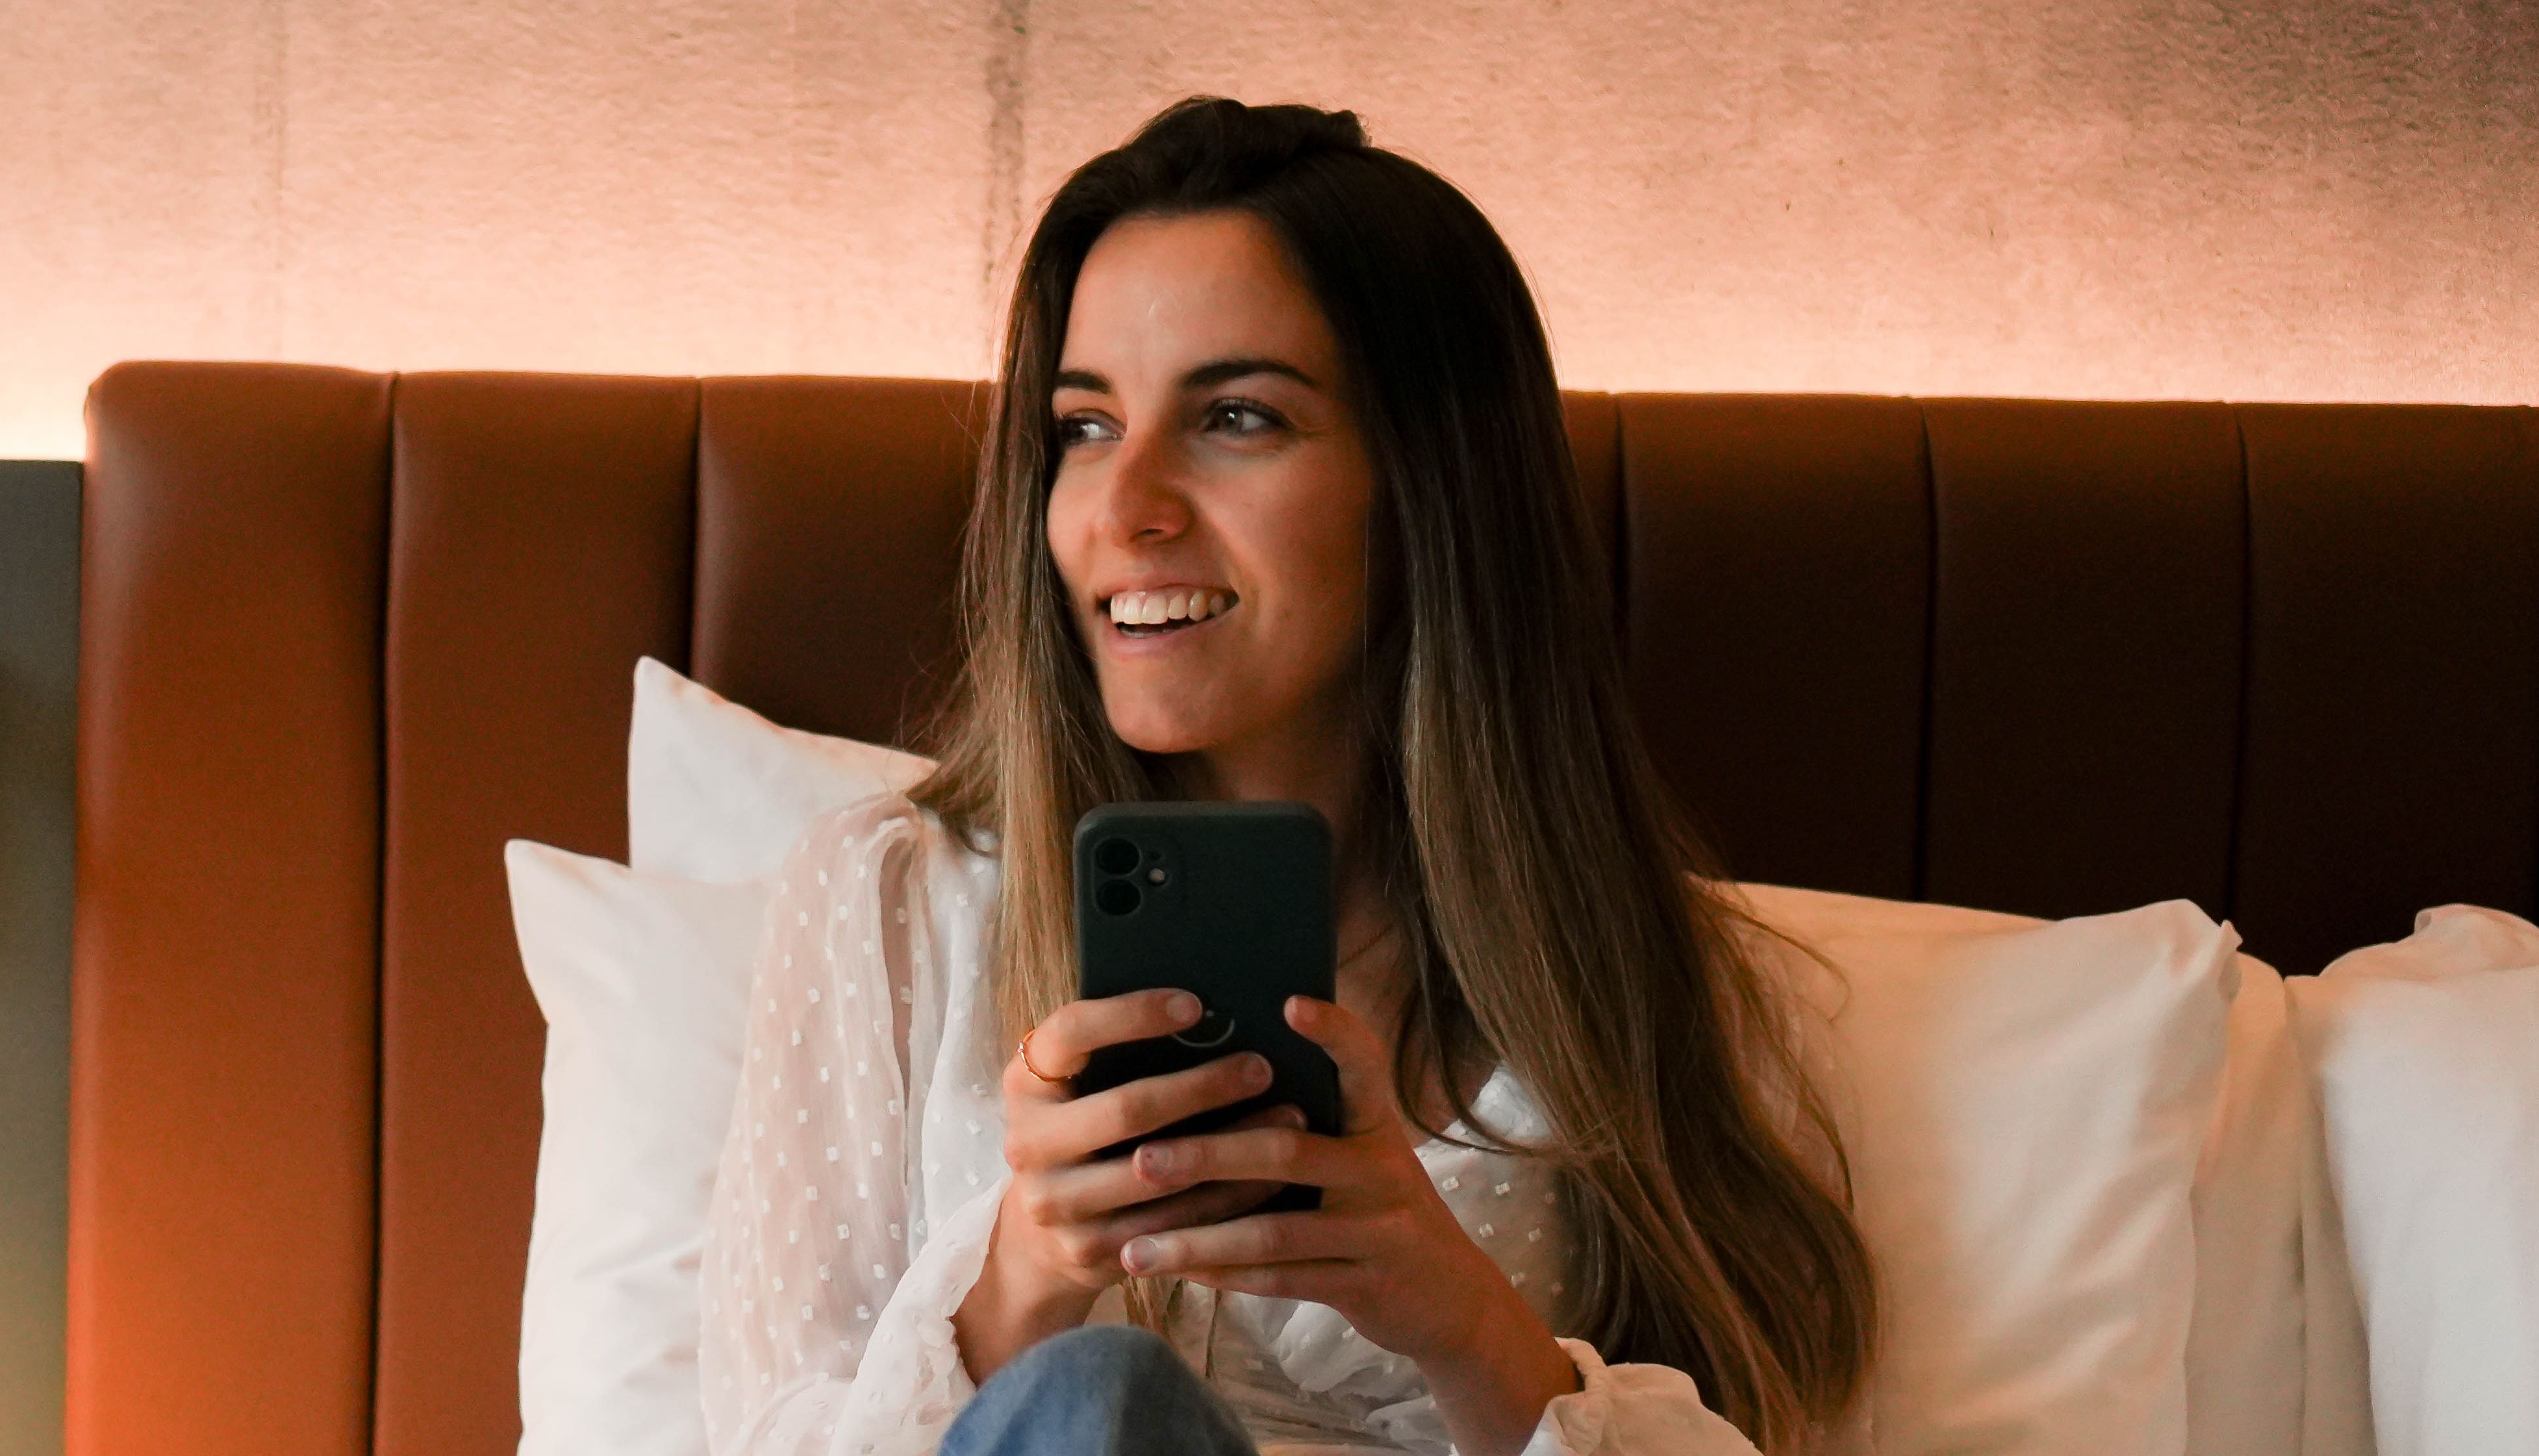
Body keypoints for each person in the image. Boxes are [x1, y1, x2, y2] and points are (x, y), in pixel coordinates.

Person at [696, 98, 1879, 1456]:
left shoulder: (1644, 988)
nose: (1125, 503)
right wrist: (1027, 1268)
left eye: (1237, 416)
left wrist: (1459, 1318)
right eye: (1085, 425)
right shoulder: (892, 903)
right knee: (1099, 1399)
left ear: (1429, 484)